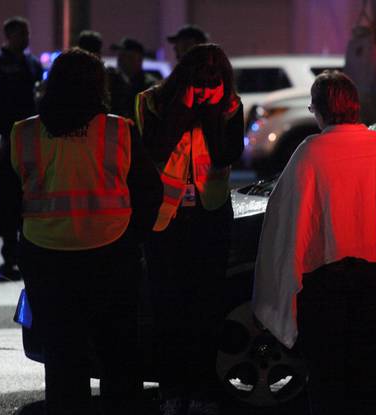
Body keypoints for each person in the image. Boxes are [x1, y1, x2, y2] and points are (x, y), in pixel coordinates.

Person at [0, 48, 162, 415]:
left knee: (63, 353)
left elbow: (2, 197)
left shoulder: (25, 133)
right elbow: (149, 192)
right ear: (99, 86)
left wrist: (20, 236)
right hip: (112, 252)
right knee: (118, 351)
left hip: (47, 256)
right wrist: (134, 237)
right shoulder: (120, 130)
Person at [253, 70, 376, 415]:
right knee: (365, 372)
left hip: (325, 280)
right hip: (374, 277)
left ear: (321, 109)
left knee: (326, 376)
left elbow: (287, 219)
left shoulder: (312, 151)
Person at [135, 43, 243, 415]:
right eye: (199, 79)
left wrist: (212, 112)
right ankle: (171, 390)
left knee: (206, 310)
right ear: (184, 76)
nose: (206, 86)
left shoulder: (230, 106)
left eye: (214, 80)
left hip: (209, 216)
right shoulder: (150, 102)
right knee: (169, 310)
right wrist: (182, 108)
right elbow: (156, 150)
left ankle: (203, 390)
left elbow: (227, 154)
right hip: (165, 217)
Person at [0, 16, 43, 279]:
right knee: (8, 198)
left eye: (27, 33)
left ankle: (23, 253)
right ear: (9, 35)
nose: (26, 38)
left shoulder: (31, 64)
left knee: (27, 196)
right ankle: (10, 255)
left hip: (29, 138)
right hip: (5, 138)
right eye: (22, 34)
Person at [109, 37, 158, 118]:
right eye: (119, 55)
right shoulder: (114, 82)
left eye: (125, 55)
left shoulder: (149, 85)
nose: (120, 59)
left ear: (139, 59)